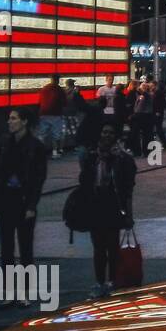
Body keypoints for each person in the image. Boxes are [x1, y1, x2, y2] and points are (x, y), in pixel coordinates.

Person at [0, 109, 49, 307]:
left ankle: (24, 292)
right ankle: (9, 292)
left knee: (25, 248)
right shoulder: (4, 143)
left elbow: (39, 178)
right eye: (9, 118)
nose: (9, 122)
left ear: (24, 121)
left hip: (24, 201)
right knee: (6, 248)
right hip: (5, 199)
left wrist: (32, 204)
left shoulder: (36, 147)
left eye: (13, 118)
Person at [77, 123, 137, 298]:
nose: (107, 136)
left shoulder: (123, 159)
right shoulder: (92, 157)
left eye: (111, 133)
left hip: (113, 206)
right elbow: (84, 181)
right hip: (96, 205)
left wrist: (129, 214)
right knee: (98, 247)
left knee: (112, 247)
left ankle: (112, 280)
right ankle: (99, 281)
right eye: (104, 132)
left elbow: (127, 189)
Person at [37, 75, 66, 159]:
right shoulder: (59, 89)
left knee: (42, 135)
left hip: (43, 113)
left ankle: (40, 153)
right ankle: (55, 152)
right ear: (58, 80)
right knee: (56, 135)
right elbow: (64, 103)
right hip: (56, 114)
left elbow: (39, 101)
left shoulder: (44, 88)